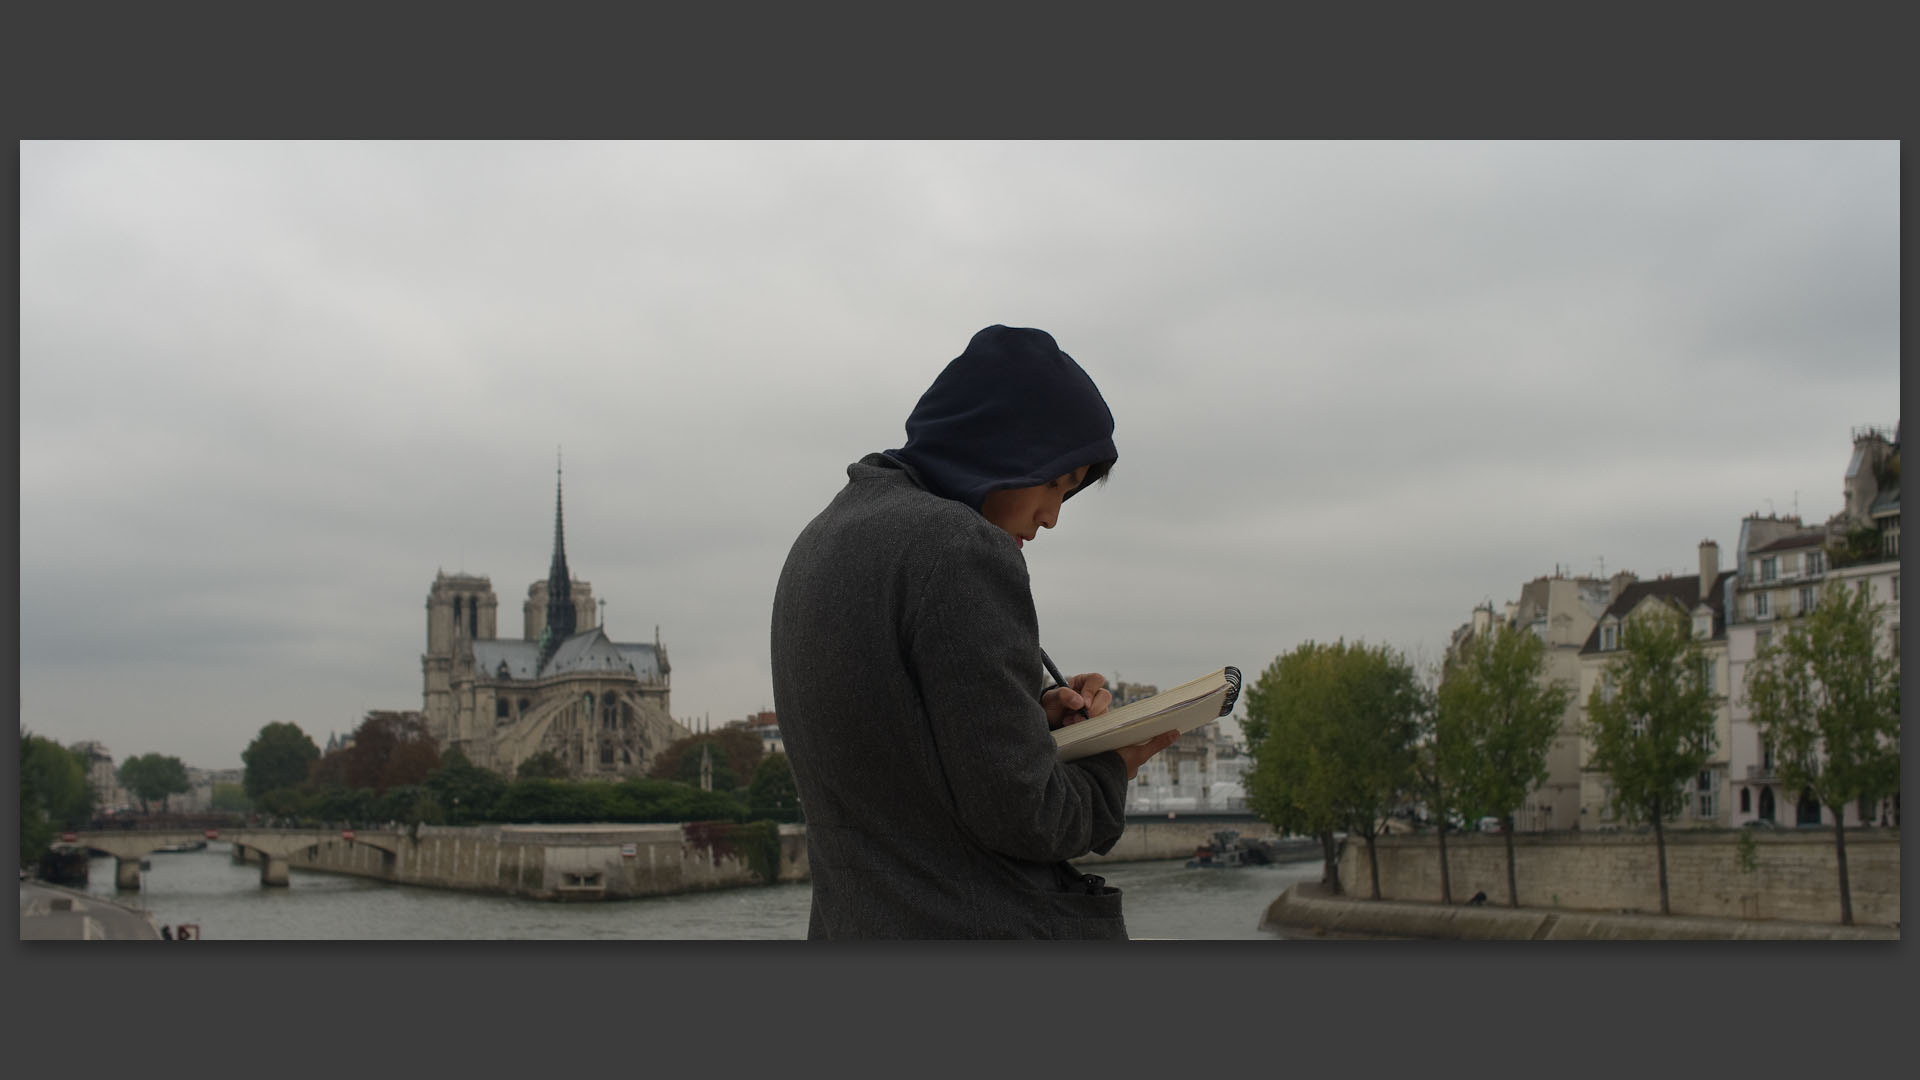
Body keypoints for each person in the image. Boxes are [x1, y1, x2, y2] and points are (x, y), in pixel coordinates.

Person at [770, 324, 1179, 939]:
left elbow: (900, 756)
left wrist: (1026, 719)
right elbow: (1030, 816)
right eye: (1053, 484)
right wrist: (1110, 766)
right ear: (1007, 447)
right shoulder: (961, 550)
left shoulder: (822, 538)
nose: (1051, 517)